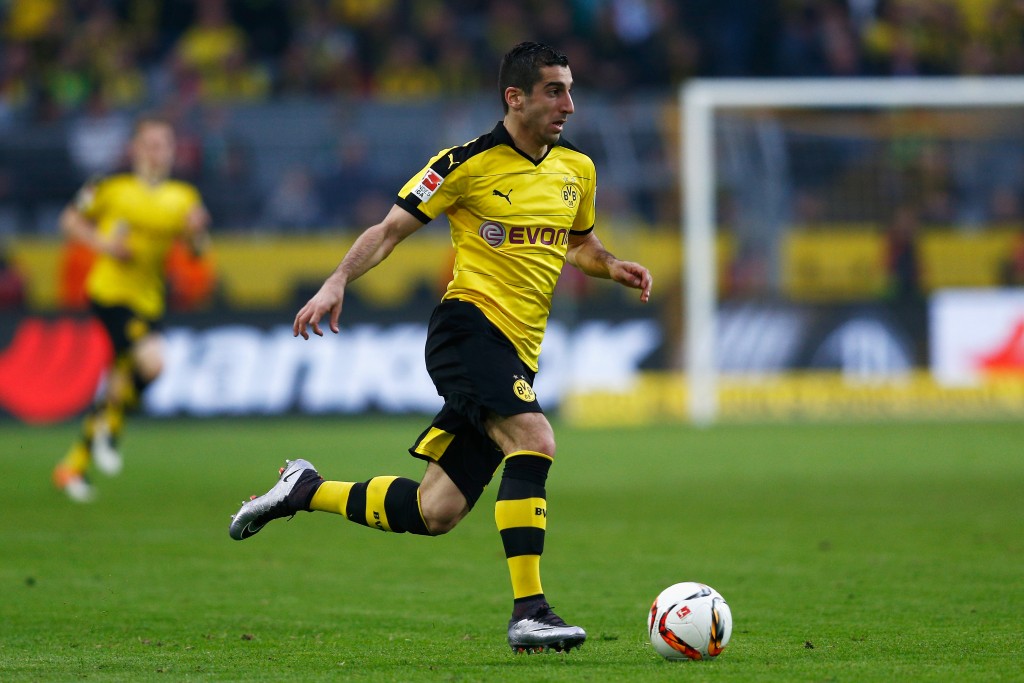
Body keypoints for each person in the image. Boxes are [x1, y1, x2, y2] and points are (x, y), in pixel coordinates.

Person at [228, 42, 652, 654]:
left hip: (518, 349)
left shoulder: (577, 169)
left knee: (436, 510)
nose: (569, 104)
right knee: (534, 438)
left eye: (570, 90)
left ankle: (303, 489)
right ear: (515, 98)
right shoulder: (464, 163)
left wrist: (612, 266)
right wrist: (338, 279)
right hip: (467, 328)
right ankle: (531, 613)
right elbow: (388, 231)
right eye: (555, 91)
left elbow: (579, 244)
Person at [52, 115, 211, 503]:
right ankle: (111, 427)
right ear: (136, 149)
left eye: (166, 145)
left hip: (148, 299)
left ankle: (73, 465)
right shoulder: (109, 187)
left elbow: (198, 252)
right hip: (110, 293)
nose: (159, 152)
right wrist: (106, 245)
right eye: (152, 144)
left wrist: (197, 232)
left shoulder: (183, 197)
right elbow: (69, 220)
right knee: (152, 363)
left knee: (122, 377)